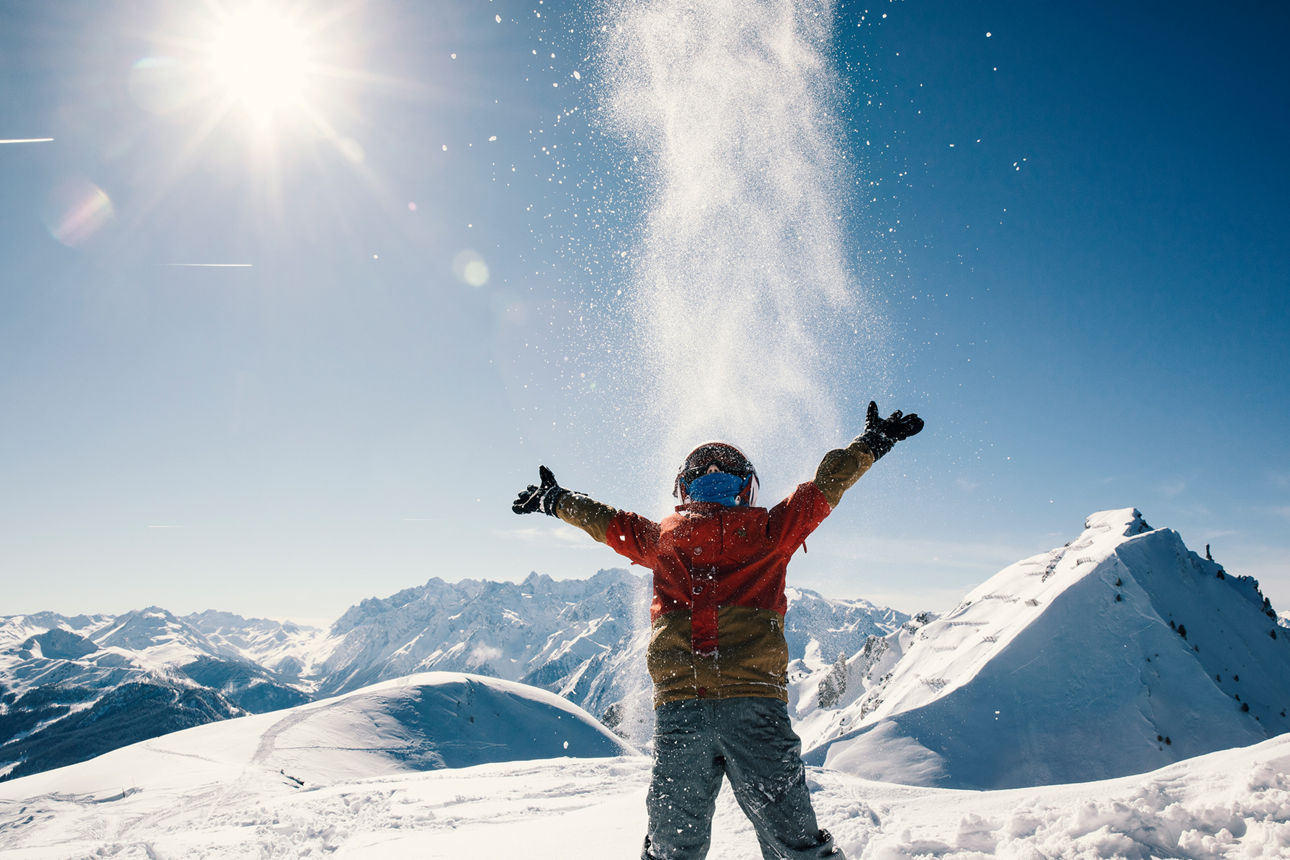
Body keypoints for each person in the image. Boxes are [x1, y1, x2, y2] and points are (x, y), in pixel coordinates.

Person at [512, 401, 924, 859]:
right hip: (756, 711)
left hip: (681, 711)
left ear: (685, 490)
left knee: (673, 848)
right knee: (795, 845)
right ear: (745, 489)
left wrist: (556, 500)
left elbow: (606, 522)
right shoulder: (771, 530)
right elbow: (826, 485)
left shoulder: (663, 540)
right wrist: (872, 443)